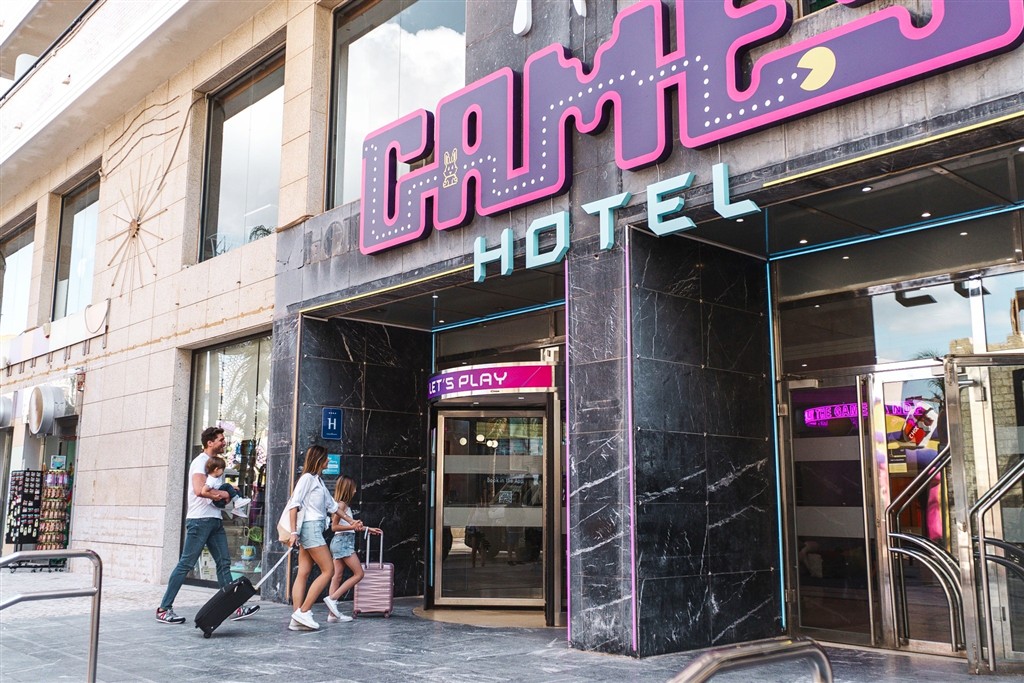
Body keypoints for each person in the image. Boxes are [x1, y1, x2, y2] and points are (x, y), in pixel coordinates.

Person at [156, 426, 260, 624]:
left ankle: (234, 608)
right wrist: (226, 494)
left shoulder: (215, 464)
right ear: (210, 442)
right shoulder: (200, 462)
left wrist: (224, 495)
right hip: (199, 521)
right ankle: (164, 609)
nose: (224, 442)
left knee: (224, 563)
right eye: (221, 439)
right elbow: (199, 490)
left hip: (214, 519)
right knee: (186, 564)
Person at [284, 445, 339, 631]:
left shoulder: (318, 481)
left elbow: (333, 506)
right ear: (319, 459)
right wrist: (293, 533)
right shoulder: (307, 478)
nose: (329, 460)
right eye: (326, 457)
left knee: (304, 572)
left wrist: (353, 522)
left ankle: (296, 619)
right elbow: (294, 505)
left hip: (311, 529)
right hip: (311, 529)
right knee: (328, 570)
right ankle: (304, 611)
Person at [323, 476, 381, 623]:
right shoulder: (341, 505)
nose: (355, 490)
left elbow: (350, 526)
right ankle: (332, 599)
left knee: (337, 576)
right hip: (343, 542)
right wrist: (353, 526)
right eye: (353, 488)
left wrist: (367, 528)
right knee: (359, 574)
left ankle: (332, 614)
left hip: (340, 542)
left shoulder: (342, 505)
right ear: (348, 489)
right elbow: (334, 527)